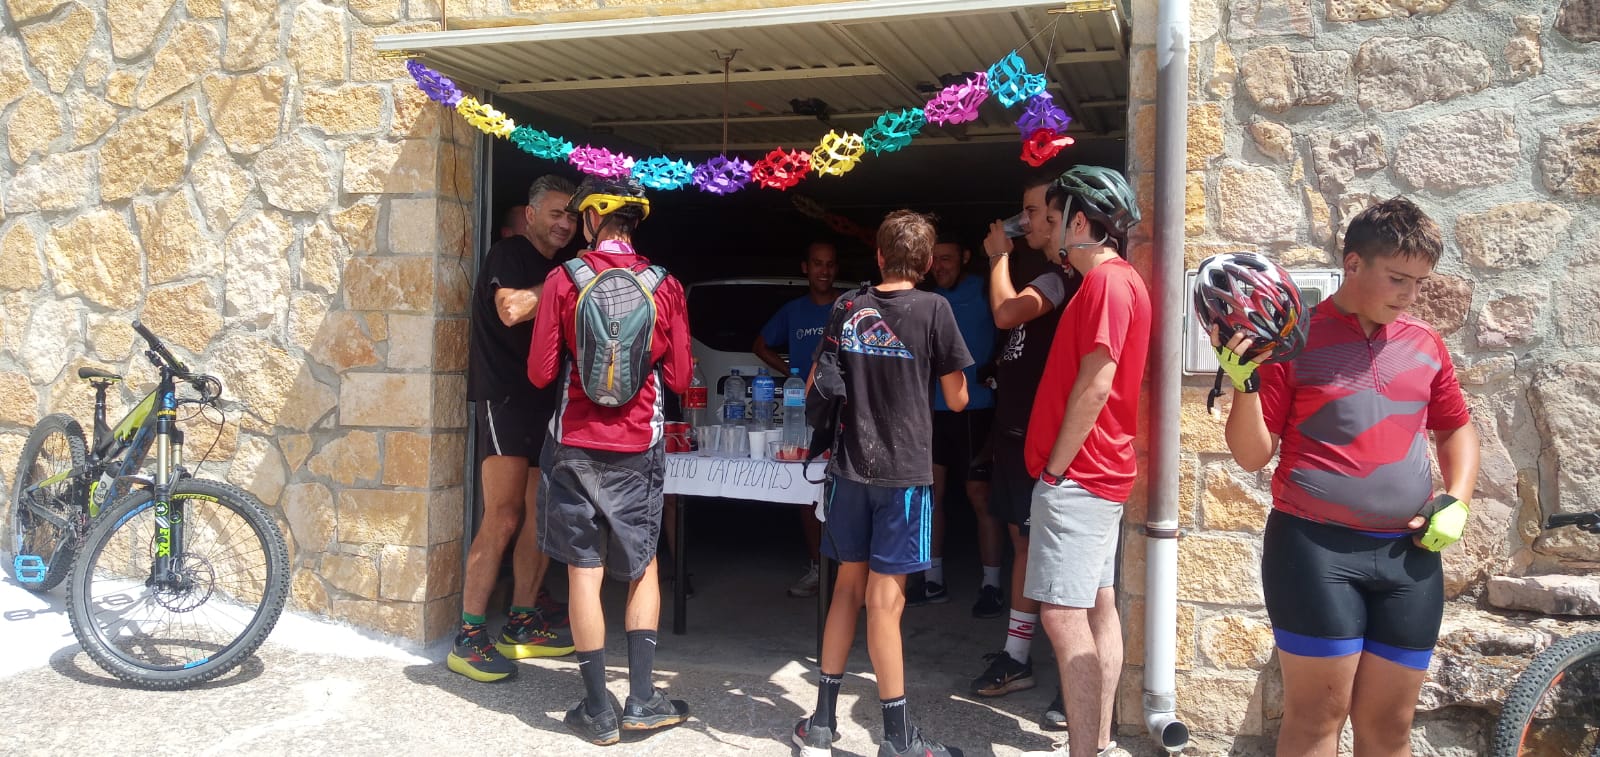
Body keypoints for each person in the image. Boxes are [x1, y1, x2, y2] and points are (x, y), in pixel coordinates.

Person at [1212, 198, 1478, 757]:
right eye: (1398, 278)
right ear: (1352, 264)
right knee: (1316, 719)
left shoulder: (1425, 343)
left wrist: (1457, 499)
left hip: (1410, 557)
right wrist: (1245, 384)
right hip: (1314, 552)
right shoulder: (1294, 341)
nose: (1410, 295)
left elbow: (1456, 428)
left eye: (1420, 282)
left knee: (1391, 725)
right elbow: (1252, 455)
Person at [792, 210, 972, 757]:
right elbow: (958, 398)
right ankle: (897, 739)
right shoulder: (935, 309)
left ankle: (821, 723)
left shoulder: (848, 306)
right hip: (904, 474)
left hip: (848, 469)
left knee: (846, 590)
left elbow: (813, 382)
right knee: (885, 602)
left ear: (878, 256)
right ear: (926, 262)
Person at [528, 175, 695, 746]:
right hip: (637, 446)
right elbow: (679, 377)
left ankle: (597, 710)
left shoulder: (563, 279)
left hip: (573, 444)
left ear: (593, 219)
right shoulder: (665, 285)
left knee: (583, 570)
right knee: (642, 565)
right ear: (634, 221)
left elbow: (540, 373)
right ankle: (643, 700)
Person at [1021, 165, 1146, 757]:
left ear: (1078, 223)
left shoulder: (1105, 285)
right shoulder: (1115, 282)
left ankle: (1086, 750)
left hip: (1080, 475)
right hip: (1096, 475)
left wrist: (1054, 470)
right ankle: (1096, 742)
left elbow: (1096, 385)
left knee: (1062, 617)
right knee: (1097, 609)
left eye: (1054, 218)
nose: (1048, 229)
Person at [452, 176, 577, 683]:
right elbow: (511, 309)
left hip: (546, 404)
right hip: (505, 400)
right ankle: (468, 636)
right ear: (530, 215)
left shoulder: (556, 268)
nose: (565, 223)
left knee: (540, 516)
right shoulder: (510, 254)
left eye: (572, 216)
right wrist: (569, 280)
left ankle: (522, 623)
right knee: (502, 516)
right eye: (556, 213)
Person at [967, 173, 1074, 719]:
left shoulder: (1060, 278)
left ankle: (1071, 676)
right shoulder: (1039, 276)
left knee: (1054, 556)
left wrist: (996, 258)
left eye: (1033, 211)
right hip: (1014, 438)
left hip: (1045, 443)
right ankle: (1017, 656)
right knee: (1025, 546)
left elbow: (1005, 313)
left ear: (1059, 218)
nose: (1024, 220)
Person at [909, 234, 1002, 615]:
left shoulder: (984, 289)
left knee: (980, 495)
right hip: (933, 409)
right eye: (934, 260)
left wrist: (997, 370)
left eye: (947, 258)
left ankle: (992, 585)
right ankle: (933, 580)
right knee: (932, 494)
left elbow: (1010, 330)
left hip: (977, 409)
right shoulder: (926, 297)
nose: (940, 267)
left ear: (964, 256)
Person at [753, 241, 839, 599]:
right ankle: (818, 567)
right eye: (817, 263)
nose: (824, 271)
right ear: (806, 267)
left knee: (845, 492)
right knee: (807, 492)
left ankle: (847, 573)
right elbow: (760, 344)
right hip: (805, 412)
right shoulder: (793, 311)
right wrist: (792, 374)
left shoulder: (847, 306)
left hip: (845, 409)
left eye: (830, 264)